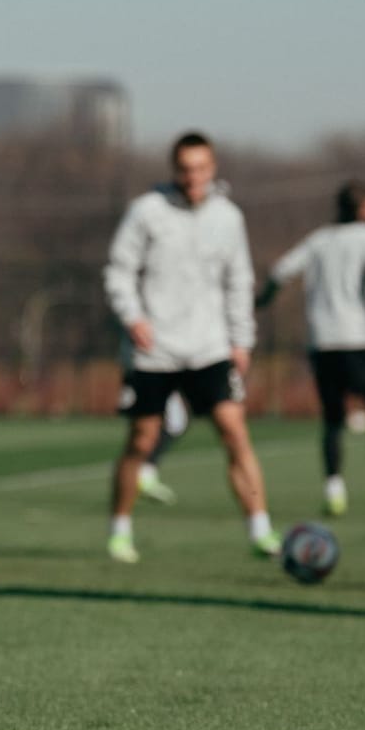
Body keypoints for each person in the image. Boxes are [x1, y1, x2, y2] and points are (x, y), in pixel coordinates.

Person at [103, 132, 280, 563]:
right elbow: (119, 271)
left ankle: (260, 527)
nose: (193, 177)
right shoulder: (147, 211)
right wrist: (133, 317)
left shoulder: (228, 217)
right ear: (174, 168)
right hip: (155, 348)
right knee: (142, 440)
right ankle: (120, 528)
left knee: (235, 433)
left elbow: (239, 281)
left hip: (209, 347)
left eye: (201, 168)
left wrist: (242, 340)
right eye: (185, 169)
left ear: (213, 168)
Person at [258, 181, 365, 520]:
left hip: (321, 342)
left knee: (332, 418)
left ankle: (334, 492)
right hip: (359, 338)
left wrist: (262, 299)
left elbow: (280, 270)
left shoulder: (319, 240)